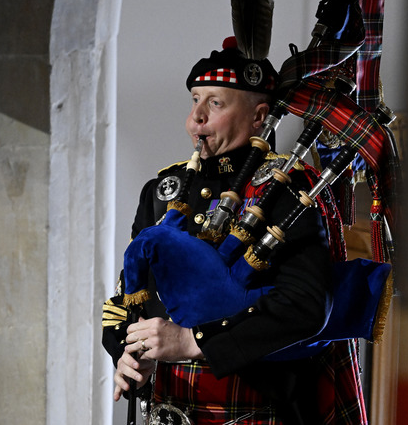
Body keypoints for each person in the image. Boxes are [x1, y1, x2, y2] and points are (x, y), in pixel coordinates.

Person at [103, 37, 367, 425]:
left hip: (255, 409)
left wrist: (192, 341)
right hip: (167, 408)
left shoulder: (288, 191)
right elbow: (127, 298)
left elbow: (307, 307)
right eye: (194, 99)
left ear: (260, 117)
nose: (197, 118)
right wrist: (127, 354)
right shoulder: (163, 192)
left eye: (215, 103)